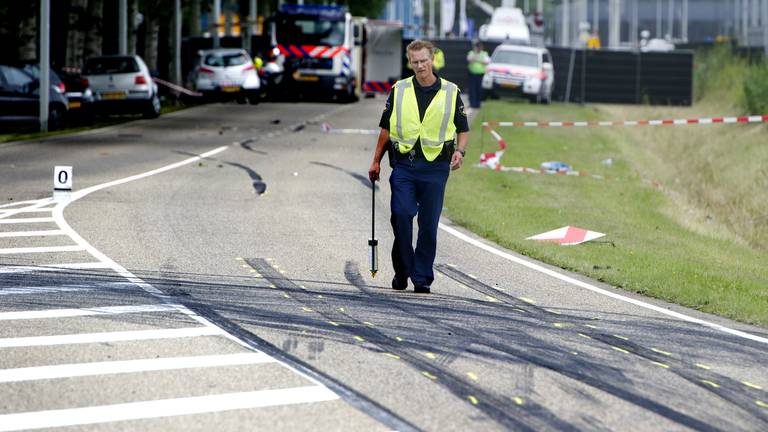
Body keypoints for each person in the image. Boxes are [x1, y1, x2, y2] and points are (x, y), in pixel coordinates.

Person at [368, 39, 469, 294]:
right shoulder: (399, 90)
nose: (420, 66)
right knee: (401, 215)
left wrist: (460, 151)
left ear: (432, 59)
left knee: (428, 225)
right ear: (409, 62)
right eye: (415, 62)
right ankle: (403, 269)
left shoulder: (450, 91)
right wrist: (376, 160)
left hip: (435, 168)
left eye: (424, 61)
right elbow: (386, 128)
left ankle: (421, 277)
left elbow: (463, 129)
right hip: (405, 165)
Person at [466, 40, 490, 110]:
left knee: (479, 90)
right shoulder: (471, 53)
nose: (478, 48)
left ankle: (478, 104)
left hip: (481, 75)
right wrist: (478, 58)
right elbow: (470, 59)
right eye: (477, 47)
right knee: (472, 89)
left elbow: (486, 62)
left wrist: (476, 59)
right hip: (472, 74)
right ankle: (472, 103)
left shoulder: (484, 53)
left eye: (479, 47)